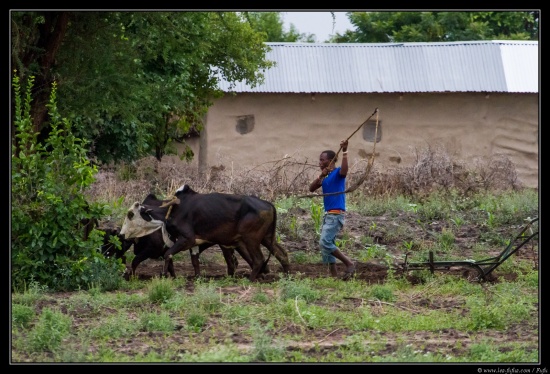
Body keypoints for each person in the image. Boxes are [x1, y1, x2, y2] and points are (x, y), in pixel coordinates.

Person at [309, 139, 356, 280]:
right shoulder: (326, 176)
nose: (319, 162)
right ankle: (334, 277)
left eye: (322, 160)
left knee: (325, 243)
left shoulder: (337, 174)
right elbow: (311, 188)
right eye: (319, 160)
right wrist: (321, 175)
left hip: (336, 215)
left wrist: (345, 151)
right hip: (328, 215)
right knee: (327, 248)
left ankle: (349, 264)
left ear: (330, 161)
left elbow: (344, 171)